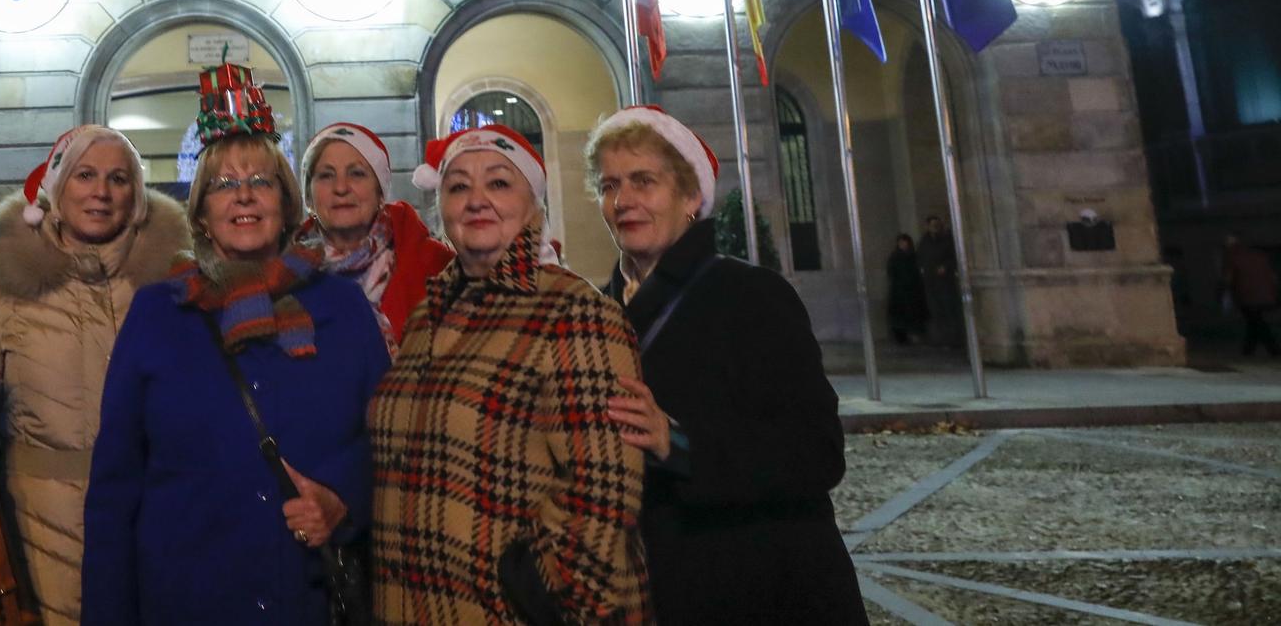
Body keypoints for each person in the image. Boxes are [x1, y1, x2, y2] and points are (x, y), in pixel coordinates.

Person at [83, 65, 388, 626]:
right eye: (225, 184)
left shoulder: (342, 309)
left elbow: (386, 443)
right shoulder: (158, 313)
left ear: (287, 204)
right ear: (200, 211)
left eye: (261, 181)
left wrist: (341, 497)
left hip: (308, 599)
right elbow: (115, 488)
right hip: (184, 600)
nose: (244, 196)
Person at [592, 105, 866, 625]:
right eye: (609, 186)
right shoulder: (597, 309)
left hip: (764, 587)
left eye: (644, 181)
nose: (623, 201)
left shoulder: (753, 296)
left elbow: (817, 452)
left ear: (691, 196)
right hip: (648, 592)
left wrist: (677, 442)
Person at [372, 123, 650, 626]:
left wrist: (532, 591)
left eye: (499, 183)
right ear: (443, 212)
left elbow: (603, 497)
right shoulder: (424, 315)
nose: (477, 199)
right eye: (458, 186)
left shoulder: (576, 312)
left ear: (533, 207)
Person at [0, 125, 189, 626]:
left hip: (154, 515)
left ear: (136, 194)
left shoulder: (173, 286)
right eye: (85, 175)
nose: (101, 192)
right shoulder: (7, 289)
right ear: (58, 187)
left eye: (118, 178)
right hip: (35, 530)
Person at [296, 121, 452, 348]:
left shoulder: (437, 266)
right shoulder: (285, 273)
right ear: (309, 198)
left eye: (357, 174)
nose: (341, 188)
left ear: (381, 193)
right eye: (326, 175)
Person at [1223, 233, 1279, 357]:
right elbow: (1273, 277)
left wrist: (1226, 293)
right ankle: (1249, 350)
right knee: (1254, 322)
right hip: (1266, 295)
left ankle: (1272, 349)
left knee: (1256, 322)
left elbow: (1228, 279)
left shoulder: (1232, 257)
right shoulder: (1259, 256)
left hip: (1247, 296)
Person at [917, 214, 963, 347]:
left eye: (936, 225)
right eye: (932, 225)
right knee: (936, 311)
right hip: (931, 281)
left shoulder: (946, 240)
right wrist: (923, 269)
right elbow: (920, 258)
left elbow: (953, 257)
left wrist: (946, 267)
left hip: (945, 281)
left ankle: (954, 339)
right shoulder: (924, 242)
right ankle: (942, 339)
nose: (934, 228)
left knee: (949, 309)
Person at [886, 233, 929, 346]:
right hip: (900, 291)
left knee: (913, 313)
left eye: (905, 242)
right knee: (901, 315)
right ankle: (902, 337)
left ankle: (914, 335)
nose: (903, 245)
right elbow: (891, 272)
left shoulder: (913, 256)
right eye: (901, 243)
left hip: (913, 290)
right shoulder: (895, 257)